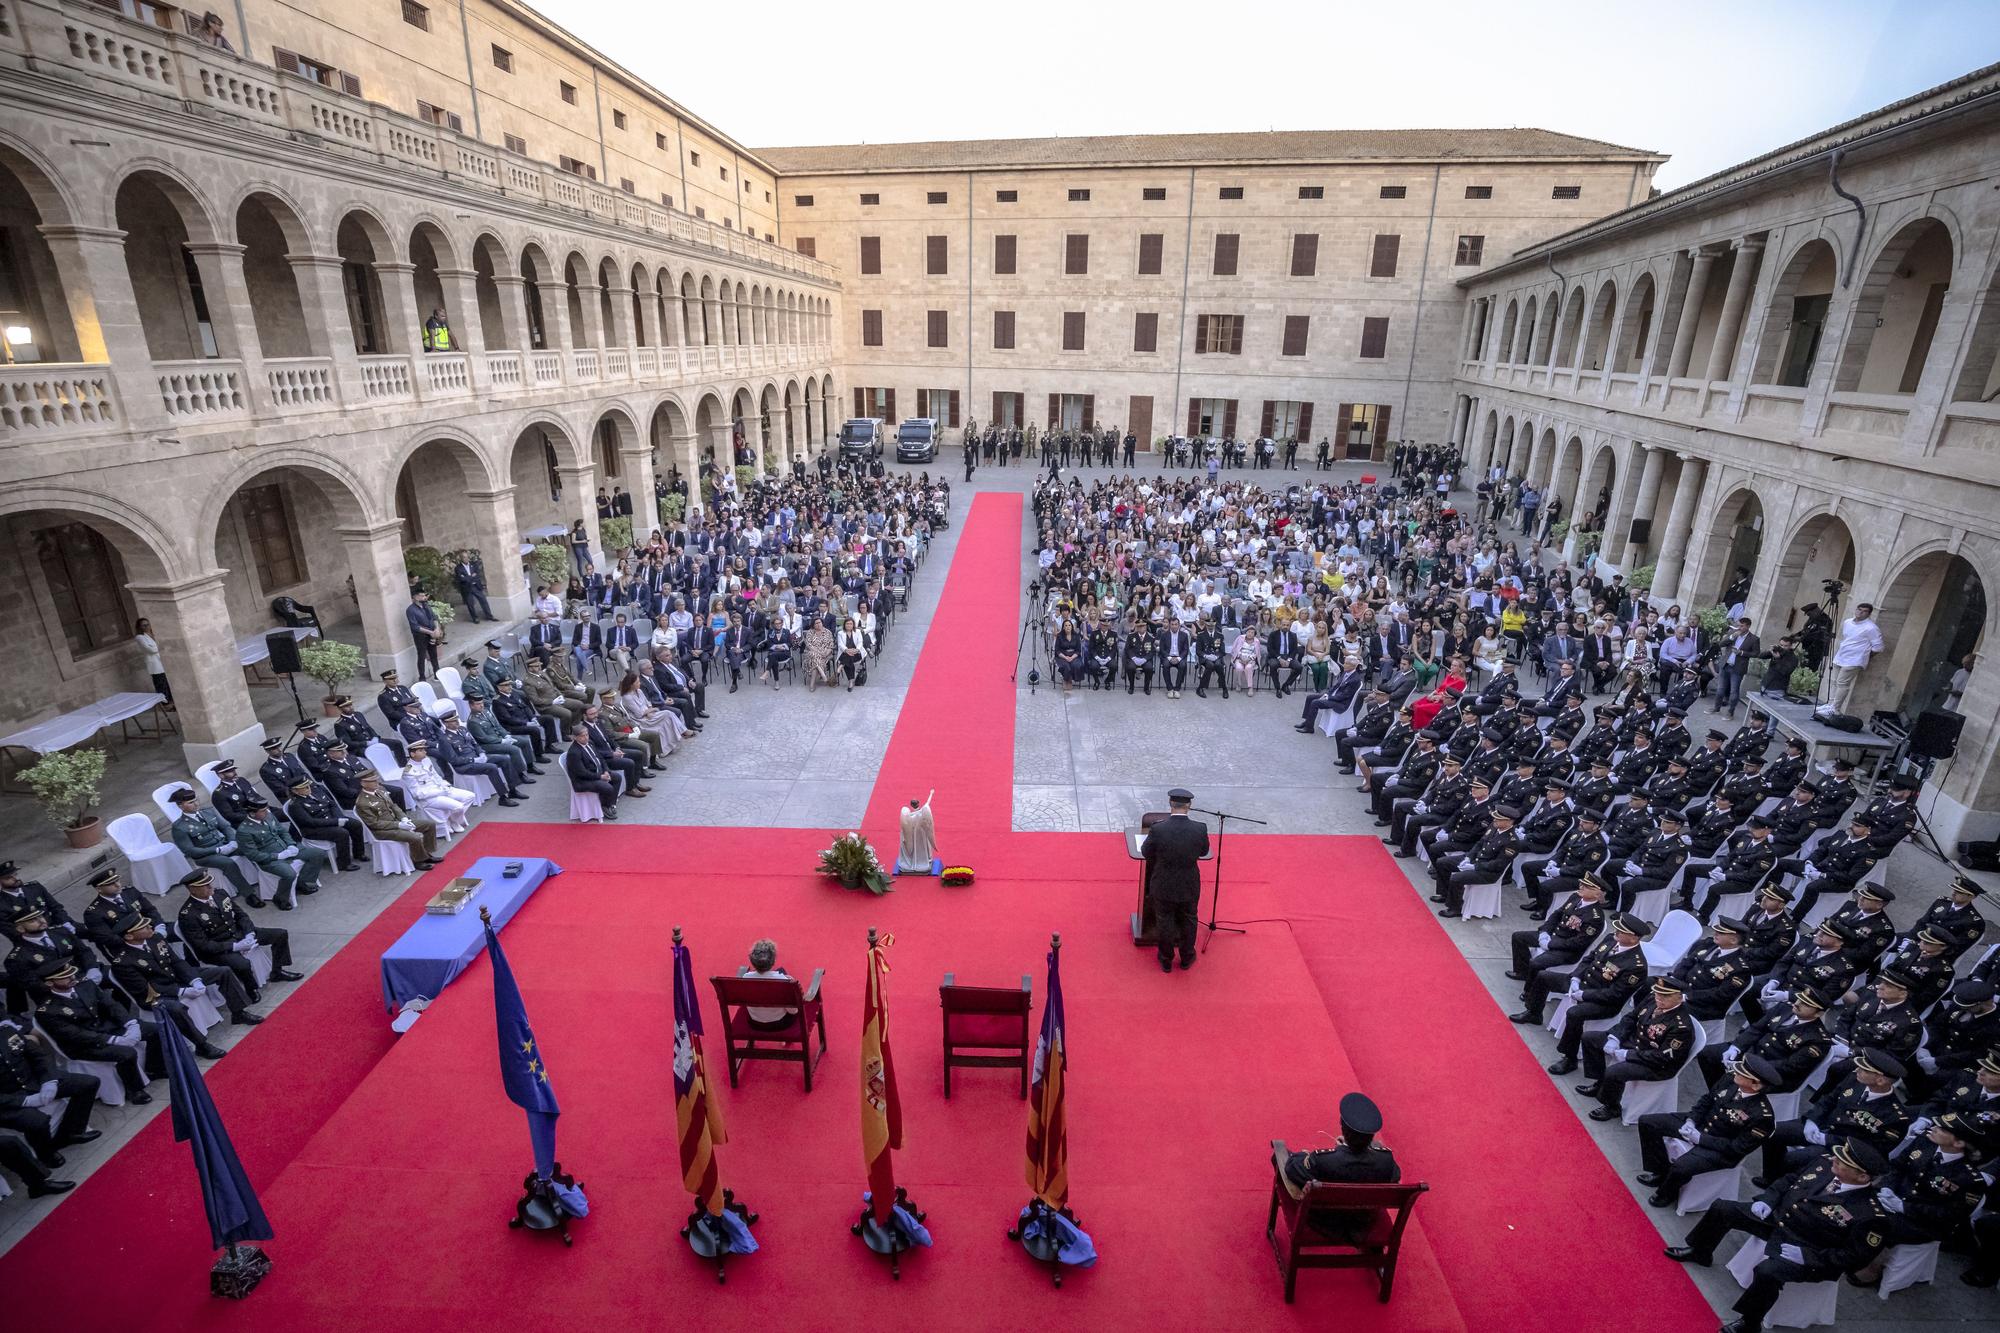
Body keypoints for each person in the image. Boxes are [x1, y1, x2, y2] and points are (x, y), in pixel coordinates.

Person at [1666, 1139, 1890, 1333]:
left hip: (1807, 1249)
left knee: (1767, 1272)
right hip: (1779, 1219)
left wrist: (1808, 1257)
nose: (1835, 1160)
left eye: (1843, 1163)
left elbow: (1853, 1258)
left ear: (1862, 1177)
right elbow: (1788, 1180)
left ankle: (1750, 1322)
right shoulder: (1824, 1164)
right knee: (1723, 1209)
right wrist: (1768, 1199)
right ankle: (1700, 1251)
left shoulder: (1869, 1214)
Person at [1274, 1091, 1401, 1240]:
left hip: (1326, 1223)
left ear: (1342, 1127)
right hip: (1364, 1223)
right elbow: (1394, 1176)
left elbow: (1292, 1167)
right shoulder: (1385, 1159)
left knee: (1278, 1157)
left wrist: (1305, 1154)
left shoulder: (1323, 1160)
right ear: (1371, 1136)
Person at [1142, 788, 1210, 973]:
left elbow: (1146, 852)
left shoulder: (1158, 828)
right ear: (1189, 806)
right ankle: (1187, 957)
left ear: (1171, 804)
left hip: (1163, 883)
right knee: (1189, 919)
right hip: (1189, 884)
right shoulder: (1200, 828)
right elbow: (1204, 851)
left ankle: (1166, 959)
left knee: (1164, 920)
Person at [167, 786, 262, 903]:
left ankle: (265, 876)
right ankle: (248, 894)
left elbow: (226, 827)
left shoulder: (208, 811)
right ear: (180, 806)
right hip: (205, 855)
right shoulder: (179, 826)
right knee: (228, 863)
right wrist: (218, 850)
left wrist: (232, 841)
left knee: (249, 848)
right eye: (191, 802)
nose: (196, 804)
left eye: (196, 800)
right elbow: (190, 851)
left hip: (224, 844)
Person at [234, 797, 331, 910]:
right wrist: (277, 856)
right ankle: (280, 898)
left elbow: (282, 831)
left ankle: (302, 882)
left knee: (317, 853)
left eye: (266, 809)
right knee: (289, 874)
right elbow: (253, 855)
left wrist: (291, 844)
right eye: (263, 810)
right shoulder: (244, 831)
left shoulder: (269, 816)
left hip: (286, 849)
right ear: (252, 813)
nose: (266, 812)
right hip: (270, 859)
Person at [353, 770, 439, 868]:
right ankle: (418, 861)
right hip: (382, 830)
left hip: (396, 821)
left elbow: (393, 806)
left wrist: (404, 818)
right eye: (372, 781)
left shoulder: (380, 790)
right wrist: (398, 825)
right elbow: (374, 824)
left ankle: (425, 854)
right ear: (363, 783)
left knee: (429, 824)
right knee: (415, 838)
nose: (377, 782)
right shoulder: (362, 802)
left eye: (376, 780)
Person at [400, 738, 475, 835]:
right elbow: (417, 794)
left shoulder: (426, 760)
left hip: (441, 789)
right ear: (412, 754)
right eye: (421, 750)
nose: (424, 752)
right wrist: (439, 791)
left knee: (470, 796)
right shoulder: (408, 771)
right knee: (459, 807)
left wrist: (445, 785)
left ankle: (452, 820)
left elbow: (436, 776)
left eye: (424, 749)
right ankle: (454, 821)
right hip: (430, 798)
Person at [1826, 603, 1884, 715]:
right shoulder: (1848, 622)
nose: (1860, 612)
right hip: (1842, 655)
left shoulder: (1871, 628)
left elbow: (1878, 647)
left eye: (1864, 611)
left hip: (1854, 660)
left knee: (1842, 683)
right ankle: (1830, 704)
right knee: (1834, 681)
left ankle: (1835, 709)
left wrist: (1865, 656)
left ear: (1869, 613)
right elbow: (1847, 638)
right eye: (1859, 609)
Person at [562, 722, 622, 820]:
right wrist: (600, 777)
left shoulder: (589, 743)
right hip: (583, 781)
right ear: (575, 738)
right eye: (582, 736)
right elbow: (582, 773)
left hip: (597, 772)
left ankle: (610, 803)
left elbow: (601, 759)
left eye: (587, 735)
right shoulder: (574, 753)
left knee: (617, 778)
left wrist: (606, 771)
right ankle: (604, 807)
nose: (586, 738)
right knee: (608, 788)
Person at [739, 939, 797, 1030]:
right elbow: (793, 1011)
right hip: (780, 1023)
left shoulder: (745, 978)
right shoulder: (784, 981)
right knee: (781, 971)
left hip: (754, 1023)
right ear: (773, 961)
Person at [406, 588, 444, 680]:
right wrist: (431, 632)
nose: (424, 598)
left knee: (433, 655)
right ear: (415, 597)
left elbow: (434, 618)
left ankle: (437, 674)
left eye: (424, 595)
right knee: (421, 656)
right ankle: (422, 677)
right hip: (421, 636)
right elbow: (415, 626)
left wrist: (437, 629)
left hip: (432, 634)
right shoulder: (410, 610)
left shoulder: (426, 606)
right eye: (421, 596)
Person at [133, 617, 171, 705]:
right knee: (160, 685)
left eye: (147, 624)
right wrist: (161, 646)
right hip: (155, 665)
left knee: (167, 683)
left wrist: (158, 646)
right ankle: (165, 704)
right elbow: (150, 650)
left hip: (162, 662)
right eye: (144, 625)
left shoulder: (153, 634)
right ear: (139, 627)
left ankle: (171, 701)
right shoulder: (140, 637)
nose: (146, 627)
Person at [897, 791, 937, 874]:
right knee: (922, 846)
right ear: (918, 804)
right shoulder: (923, 812)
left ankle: (912, 862)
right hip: (921, 834)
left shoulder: (908, 817)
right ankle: (924, 860)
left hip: (911, 836)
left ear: (911, 805)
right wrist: (931, 794)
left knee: (912, 846)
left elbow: (904, 832)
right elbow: (927, 803)